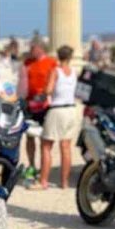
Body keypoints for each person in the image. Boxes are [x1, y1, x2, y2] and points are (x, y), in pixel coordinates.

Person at [40, 45, 79, 190]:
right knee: (66, 147)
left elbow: (49, 90)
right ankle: (64, 182)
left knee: (46, 145)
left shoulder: (55, 71)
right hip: (71, 109)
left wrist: (45, 92)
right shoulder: (74, 72)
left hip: (57, 109)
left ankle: (43, 181)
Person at [19, 38, 56, 185]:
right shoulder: (27, 63)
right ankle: (32, 165)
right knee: (29, 136)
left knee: (44, 137)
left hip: (44, 104)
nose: (31, 51)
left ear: (41, 49)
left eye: (33, 48)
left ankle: (43, 168)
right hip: (29, 103)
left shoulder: (51, 62)